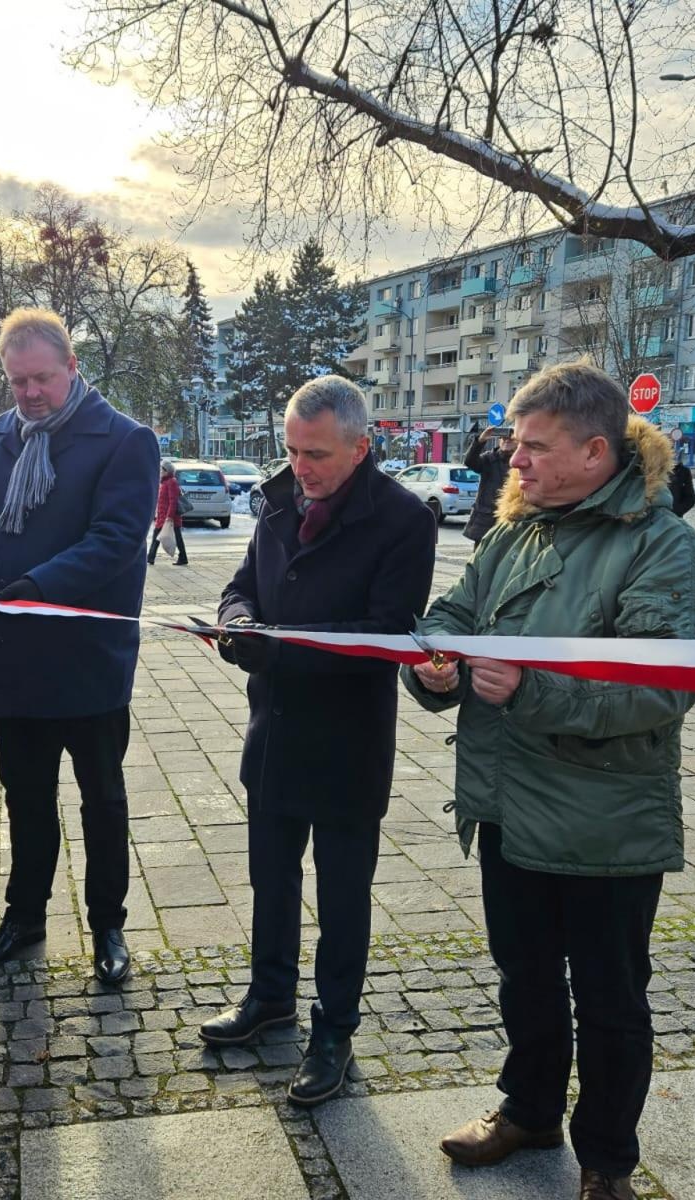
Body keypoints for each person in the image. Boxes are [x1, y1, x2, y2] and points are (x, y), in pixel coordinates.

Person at [402, 361, 695, 1200]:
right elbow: (454, 614)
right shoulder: (518, 532)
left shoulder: (665, 547)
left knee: (612, 1001)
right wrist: (434, 665)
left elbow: (666, 686)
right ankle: (530, 1109)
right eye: (515, 444)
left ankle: (608, 1161)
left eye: (532, 447)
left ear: (594, 451)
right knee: (525, 974)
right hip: (508, 806)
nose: (513, 461)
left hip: (605, 823)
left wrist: (536, 690)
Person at [200, 375, 437, 1106]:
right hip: (272, 729)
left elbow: (387, 633)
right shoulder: (275, 499)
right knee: (270, 880)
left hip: (346, 739)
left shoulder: (402, 520)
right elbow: (242, 583)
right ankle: (268, 994)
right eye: (292, 449)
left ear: (362, 447)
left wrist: (276, 647)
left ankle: (333, 1027)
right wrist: (237, 621)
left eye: (318, 455)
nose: (301, 467)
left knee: (342, 898)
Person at [0, 307, 159, 983]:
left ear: (72, 368)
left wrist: (35, 585)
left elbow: (117, 542)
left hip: (87, 662)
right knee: (25, 799)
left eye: (42, 379)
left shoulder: (123, 440)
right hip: (11, 658)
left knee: (102, 801)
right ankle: (24, 918)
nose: (29, 394)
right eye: (17, 381)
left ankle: (108, 925)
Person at [461, 423, 512, 544]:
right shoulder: (489, 459)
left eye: (511, 439)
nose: (506, 441)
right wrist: (480, 441)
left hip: (510, 519)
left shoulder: (522, 462)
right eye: (503, 438)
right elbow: (469, 461)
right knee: (480, 559)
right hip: (485, 521)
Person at [148, 460, 189, 567]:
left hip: (170, 517)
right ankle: (150, 558)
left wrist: (169, 517)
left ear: (167, 471)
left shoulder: (171, 482)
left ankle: (182, 557)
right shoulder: (164, 482)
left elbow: (173, 501)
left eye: (162, 469)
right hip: (162, 516)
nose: (160, 471)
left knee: (175, 538)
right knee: (157, 537)